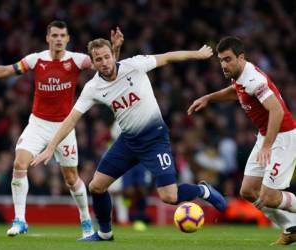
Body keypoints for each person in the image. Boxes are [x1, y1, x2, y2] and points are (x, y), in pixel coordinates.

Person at [31, 38, 227, 241]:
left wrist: (198, 54)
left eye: (107, 57)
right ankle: (105, 234)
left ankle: (203, 190)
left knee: (169, 197)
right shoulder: (93, 88)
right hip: (128, 142)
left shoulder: (134, 65)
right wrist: (50, 147)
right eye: (99, 59)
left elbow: (168, 57)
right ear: (93, 62)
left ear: (113, 55)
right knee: (96, 186)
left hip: (155, 139)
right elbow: (71, 119)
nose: (104, 62)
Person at [0, 20, 124, 238]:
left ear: (67, 39)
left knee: (71, 179)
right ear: (48, 38)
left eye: (62, 36)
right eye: (54, 35)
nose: (58, 39)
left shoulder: (77, 60)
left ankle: (85, 222)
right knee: (19, 163)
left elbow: (107, 68)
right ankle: (20, 220)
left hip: (64, 127)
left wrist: (116, 49)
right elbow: (8, 70)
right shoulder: (36, 60)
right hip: (38, 123)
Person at [187, 36, 296, 246]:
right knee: (248, 191)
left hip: (282, 136)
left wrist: (266, 146)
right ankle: (291, 228)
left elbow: (277, 110)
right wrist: (208, 98)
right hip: (267, 135)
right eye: (221, 60)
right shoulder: (239, 75)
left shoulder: (254, 79)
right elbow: (236, 92)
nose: (223, 65)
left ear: (241, 57)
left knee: (270, 197)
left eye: (228, 59)